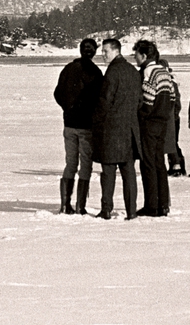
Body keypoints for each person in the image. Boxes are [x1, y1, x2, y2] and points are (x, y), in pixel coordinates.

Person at [91, 38, 142, 220]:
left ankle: (106, 209)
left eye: (105, 51)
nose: (102, 55)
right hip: (129, 129)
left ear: (116, 51)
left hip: (112, 129)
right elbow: (140, 101)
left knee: (109, 172)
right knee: (129, 173)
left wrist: (96, 121)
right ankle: (132, 210)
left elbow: (104, 101)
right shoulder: (133, 71)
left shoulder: (112, 72)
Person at [53, 38, 103, 214]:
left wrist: (68, 108)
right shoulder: (95, 73)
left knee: (70, 163)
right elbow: (100, 100)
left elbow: (57, 93)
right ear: (94, 52)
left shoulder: (68, 69)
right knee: (86, 164)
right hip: (86, 125)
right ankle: (80, 206)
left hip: (69, 123)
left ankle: (65, 205)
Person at [133, 40, 174, 216]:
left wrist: (140, 114)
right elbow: (172, 97)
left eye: (136, 54)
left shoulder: (148, 72)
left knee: (148, 164)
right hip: (162, 122)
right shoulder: (164, 72)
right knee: (159, 163)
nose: (135, 57)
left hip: (149, 123)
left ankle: (151, 205)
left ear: (143, 55)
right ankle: (163, 203)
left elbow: (148, 100)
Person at [159, 58, 187, 177]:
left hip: (170, 118)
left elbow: (176, 103)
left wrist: (173, 115)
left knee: (171, 142)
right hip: (172, 117)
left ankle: (176, 164)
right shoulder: (172, 82)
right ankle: (176, 164)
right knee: (171, 141)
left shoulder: (170, 83)